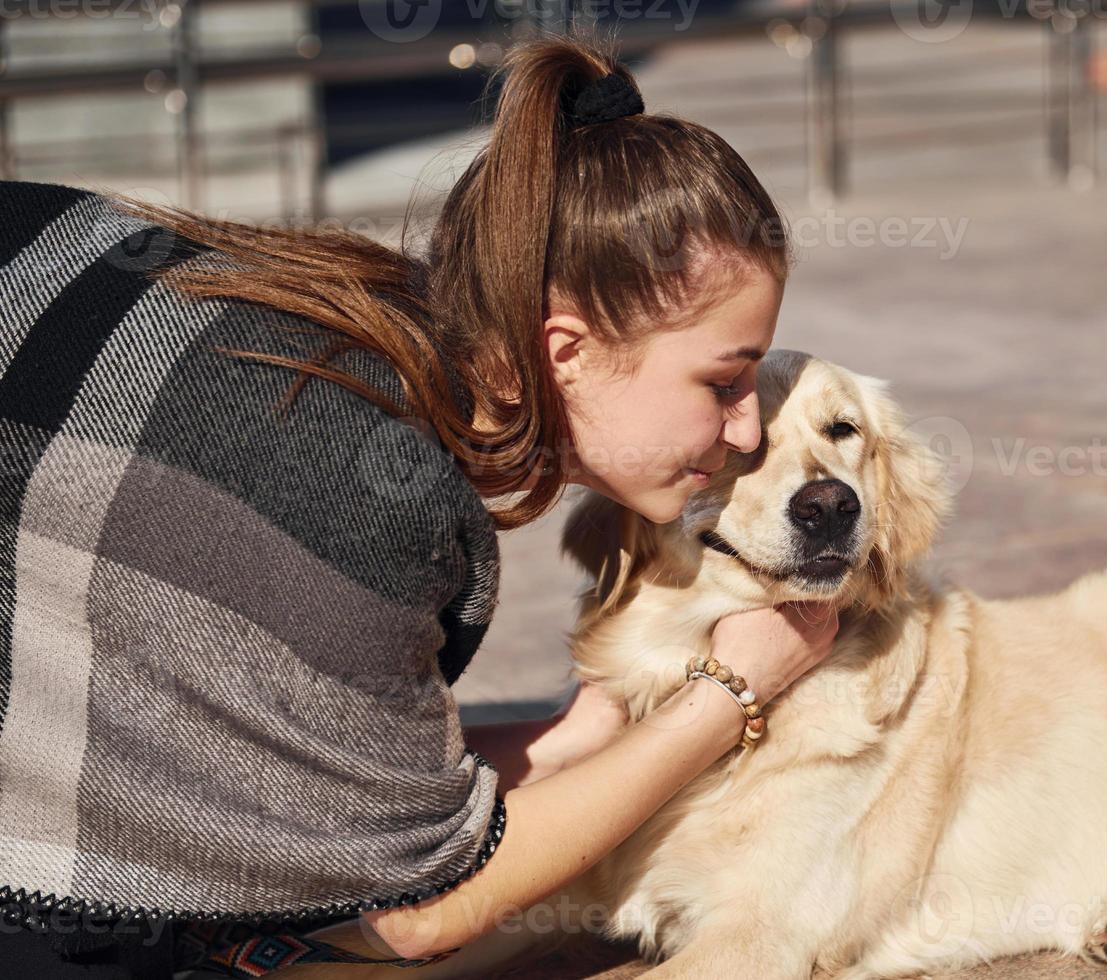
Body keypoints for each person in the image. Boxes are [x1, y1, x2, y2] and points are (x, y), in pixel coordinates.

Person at [0, 31, 840, 980]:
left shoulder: (355, 322)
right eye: (724, 383)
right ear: (565, 350)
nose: (745, 434)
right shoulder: (367, 484)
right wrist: (730, 695)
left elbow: (320, 786)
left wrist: (586, 733)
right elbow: (419, 907)